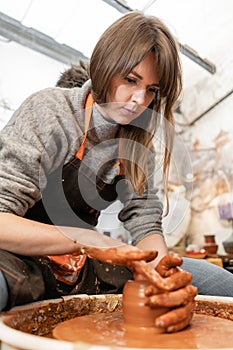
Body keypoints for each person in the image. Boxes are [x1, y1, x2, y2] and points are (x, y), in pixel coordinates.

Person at [0, 11, 232, 334]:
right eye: (131, 80)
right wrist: (85, 238)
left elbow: (147, 226)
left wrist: (165, 281)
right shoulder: (51, 113)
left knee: (221, 285)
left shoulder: (137, 142)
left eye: (152, 89)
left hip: (85, 267)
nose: (139, 100)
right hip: (22, 260)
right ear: (105, 66)